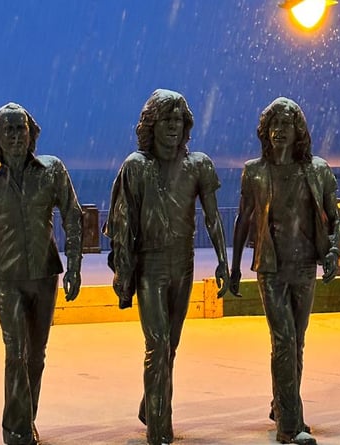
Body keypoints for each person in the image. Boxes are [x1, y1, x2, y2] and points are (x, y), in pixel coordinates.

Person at [104, 89, 229, 445]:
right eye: (166, 120)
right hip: (151, 265)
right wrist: (122, 270)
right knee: (157, 344)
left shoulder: (198, 165)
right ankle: (160, 428)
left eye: (178, 120)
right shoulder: (136, 166)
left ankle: (151, 402)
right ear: (151, 125)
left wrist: (222, 259)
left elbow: (213, 217)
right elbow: (123, 224)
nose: (173, 127)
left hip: (184, 264)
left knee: (170, 345)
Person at [0, 102, 83, 445]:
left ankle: (26, 418)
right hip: (8, 278)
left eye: (21, 129)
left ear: (31, 134)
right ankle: (15, 430)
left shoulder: (52, 170)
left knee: (36, 355)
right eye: (9, 130)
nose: (16, 136)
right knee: (15, 352)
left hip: (46, 275)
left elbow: (73, 215)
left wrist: (74, 265)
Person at [229, 97, 340, 445]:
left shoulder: (317, 170)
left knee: (297, 341)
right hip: (271, 267)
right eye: (274, 126)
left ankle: (282, 403)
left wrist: (334, 250)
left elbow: (334, 218)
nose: (279, 131)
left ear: (298, 132)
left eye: (286, 126)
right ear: (266, 132)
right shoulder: (255, 171)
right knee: (284, 339)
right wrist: (233, 268)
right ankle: (290, 427)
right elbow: (243, 220)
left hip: (305, 263)